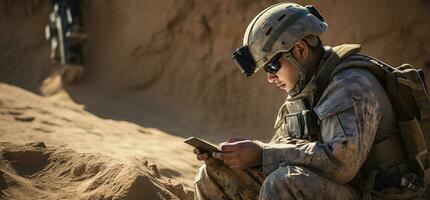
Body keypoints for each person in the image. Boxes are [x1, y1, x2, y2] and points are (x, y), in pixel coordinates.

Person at [193, 3, 429, 200]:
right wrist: (236, 157)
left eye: (272, 66)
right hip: (345, 188)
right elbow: (289, 150)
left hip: (379, 193)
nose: (270, 78)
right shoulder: (304, 91)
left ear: (300, 49)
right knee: (213, 173)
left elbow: (342, 163)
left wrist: (262, 154)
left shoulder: (351, 85)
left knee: (284, 184)